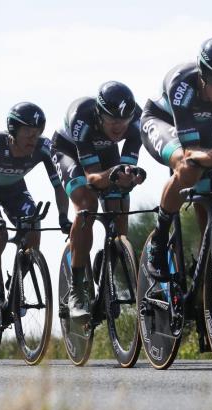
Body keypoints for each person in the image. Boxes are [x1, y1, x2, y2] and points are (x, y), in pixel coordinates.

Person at [141, 37, 212, 279]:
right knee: (188, 167)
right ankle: (159, 239)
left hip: (203, 124)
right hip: (162, 120)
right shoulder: (182, 84)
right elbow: (190, 152)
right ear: (203, 75)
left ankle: (207, 278)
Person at [0, 102, 70, 328]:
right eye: (28, 132)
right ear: (13, 130)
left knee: (33, 229)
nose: (33, 138)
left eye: (37, 133)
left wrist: (63, 216)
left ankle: (16, 287)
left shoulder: (44, 148)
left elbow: (59, 186)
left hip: (15, 191)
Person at [52, 81, 146, 318]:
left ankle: (106, 272)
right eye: (112, 120)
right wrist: (113, 175)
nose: (119, 126)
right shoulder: (82, 117)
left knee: (119, 208)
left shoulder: (138, 121)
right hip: (69, 151)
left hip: (105, 152)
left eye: (124, 120)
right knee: (88, 205)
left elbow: (126, 171)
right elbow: (93, 178)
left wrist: (130, 177)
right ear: (99, 114)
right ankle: (76, 289)